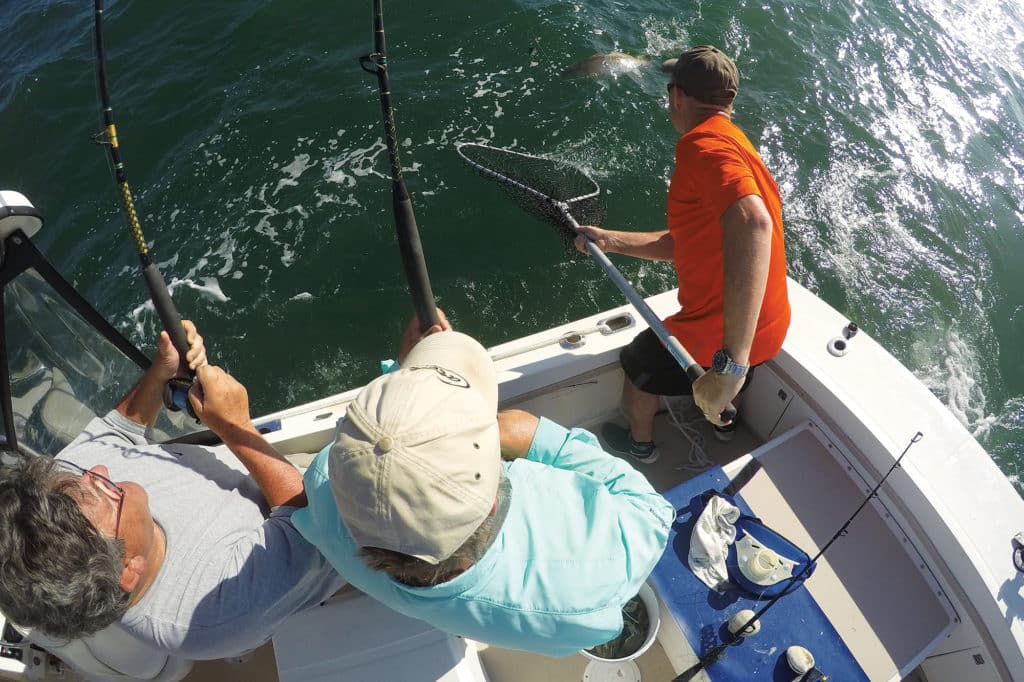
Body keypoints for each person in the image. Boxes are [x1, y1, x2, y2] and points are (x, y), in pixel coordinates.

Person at [293, 312, 675, 657]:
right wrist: (542, 440)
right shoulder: (589, 605)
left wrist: (410, 378)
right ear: (492, 504)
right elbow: (654, 510)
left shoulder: (325, 501)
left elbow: (381, 454)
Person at [0, 321, 344, 660]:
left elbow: (117, 431)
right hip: (334, 523)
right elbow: (320, 521)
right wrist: (235, 426)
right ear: (129, 569)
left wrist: (163, 371)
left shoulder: (62, 491)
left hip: (275, 476)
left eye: (82, 477)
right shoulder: (214, 612)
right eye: (107, 489)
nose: (99, 471)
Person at [575, 44, 790, 463]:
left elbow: (754, 223)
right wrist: (610, 239)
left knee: (638, 364)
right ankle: (723, 426)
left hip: (726, 342)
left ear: (677, 97)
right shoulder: (736, 142)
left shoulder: (700, 146)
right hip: (769, 327)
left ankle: (641, 447)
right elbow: (686, 242)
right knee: (721, 384)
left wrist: (730, 365)